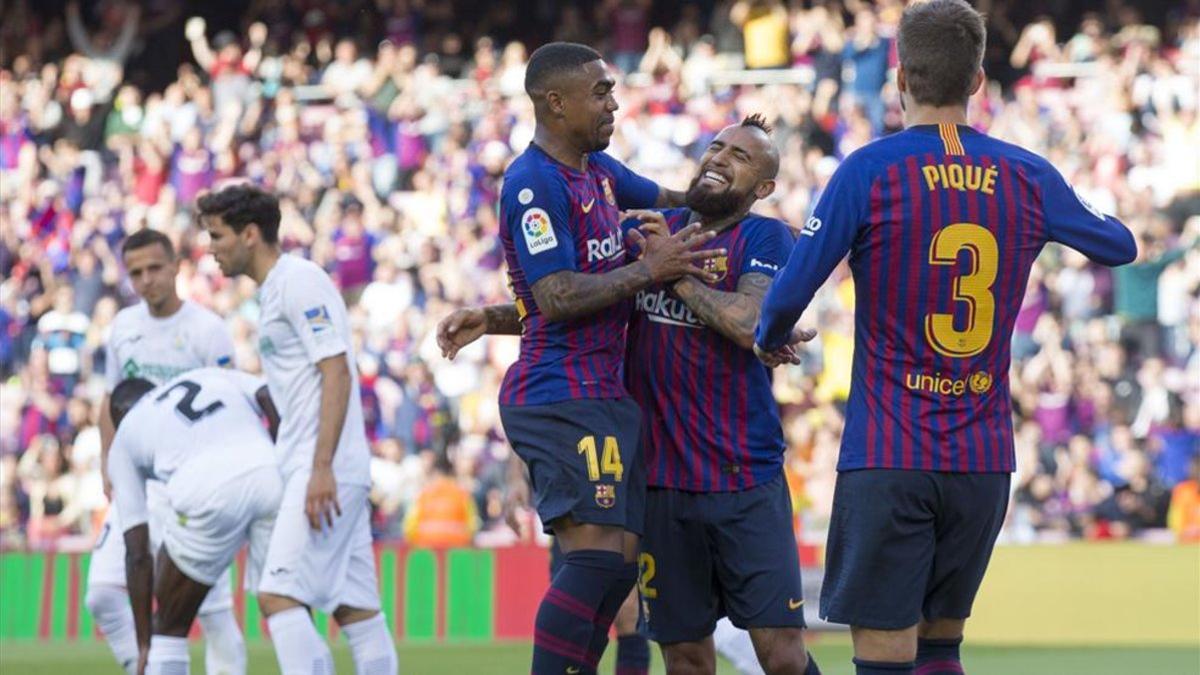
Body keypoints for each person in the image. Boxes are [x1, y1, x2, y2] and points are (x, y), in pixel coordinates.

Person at [753, 2, 1138, 674]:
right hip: (983, 458)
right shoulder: (1028, 175)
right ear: (979, 80)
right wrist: (1056, 209)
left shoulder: (868, 171)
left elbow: (788, 291)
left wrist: (767, 338)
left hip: (891, 453)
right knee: (941, 646)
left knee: (883, 655)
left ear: (900, 78)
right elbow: (1119, 244)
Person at [439, 117, 818, 674]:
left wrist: (671, 274)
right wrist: (492, 318)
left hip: (744, 477)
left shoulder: (763, 237)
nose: (719, 157)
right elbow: (589, 298)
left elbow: (748, 321)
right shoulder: (648, 228)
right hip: (659, 484)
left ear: (762, 188)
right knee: (686, 656)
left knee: (781, 656)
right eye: (716, 146)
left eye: (740, 156)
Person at [440, 41, 720, 673]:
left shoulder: (600, 173)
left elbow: (681, 201)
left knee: (620, 568)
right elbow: (559, 295)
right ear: (555, 102)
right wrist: (649, 268)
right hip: (560, 395)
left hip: (602, 396)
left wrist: (736, 185)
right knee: (594, 561)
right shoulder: (534, 184)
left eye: (612, 89)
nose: (613, 102)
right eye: (600, 92)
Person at [199, 184, 398, 675]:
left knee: (276, 594)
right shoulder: (274, 292)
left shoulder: (298, 281)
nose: (210, 248)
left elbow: (336, 369)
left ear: (249, 234)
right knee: (357, 610)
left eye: (217, 236)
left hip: (323, 466)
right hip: (321, 463)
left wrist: (321, 467)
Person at [87, 228, 244, 675]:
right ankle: (149, 668)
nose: (146, 279)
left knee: (211, 613)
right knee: (102, 593)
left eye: (155, 268)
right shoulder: (123, 327)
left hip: (194, 484)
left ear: (177, 266)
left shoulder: (207, 330)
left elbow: (231, 403)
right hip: (138, 477)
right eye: (136, 272)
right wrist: (107, 459)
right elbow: (110, 399)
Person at [106, 368, 282, 675]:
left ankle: (158, 650)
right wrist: (285, 456)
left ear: (118, 418)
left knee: (169, 627)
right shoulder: (208, 374)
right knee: (285, 606)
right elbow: (268, 393)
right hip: (272, 473)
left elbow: (137, 555)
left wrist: (144, 642)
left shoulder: (125, 437)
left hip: (206, 490)